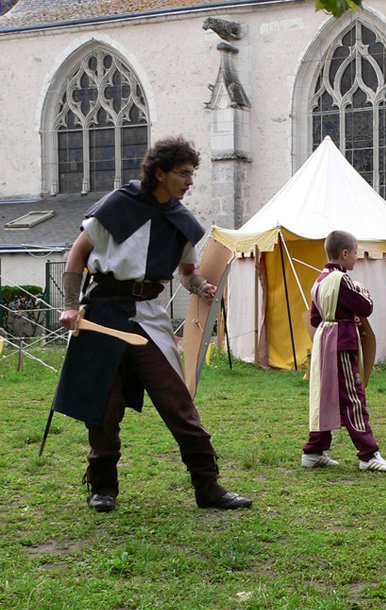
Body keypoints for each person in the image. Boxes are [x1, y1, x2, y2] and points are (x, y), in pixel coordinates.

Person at [55, 136, 252, 513]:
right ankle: (102, 487)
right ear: (159, 173)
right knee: (105, 405)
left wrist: (199, 285)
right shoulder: (117, 206)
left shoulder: (180, 221)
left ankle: (208, 487)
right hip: (103, 315)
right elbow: (78, 252)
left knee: (177, 401)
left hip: (148, 317)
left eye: (192, 173)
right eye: (183, 173)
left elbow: (186, 272)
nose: (190, 181)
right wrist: (68, 305)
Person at [301, 231, 386, 472]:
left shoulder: (319, 280)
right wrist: (362, 292)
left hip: (324, 338)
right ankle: (368, 454)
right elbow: (365, 306)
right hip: (341, 341)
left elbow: (315, 318)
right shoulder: (342, 280)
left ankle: (314, 450)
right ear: (344, 253)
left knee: (325, 395)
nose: (357, 257)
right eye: (355, 252)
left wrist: (342, 314)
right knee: (353, 397)